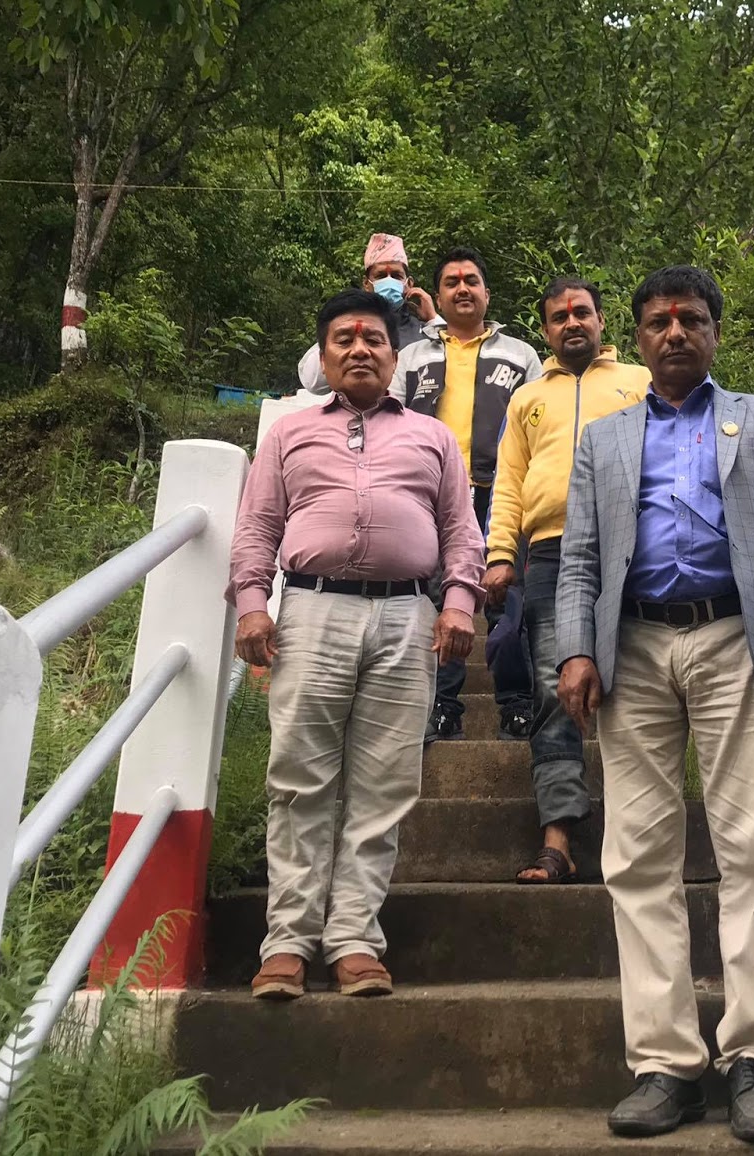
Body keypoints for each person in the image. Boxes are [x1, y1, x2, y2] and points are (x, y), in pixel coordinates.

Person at [555, 266, 754, 1145]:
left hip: (734, 642)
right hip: (631, 648)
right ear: (636, 338)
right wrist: (576, 649)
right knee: (637, 856)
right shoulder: (602, 438)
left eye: (692, 319)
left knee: (751, 846)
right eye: (660, 321)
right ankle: (665, 1065)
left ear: (714, 331)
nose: (675, 332)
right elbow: (580, 556)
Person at [229, 288, 483, 1001]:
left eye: (373, 339)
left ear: (395, 357)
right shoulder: (289, 434)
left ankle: (354, 941)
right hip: (313, 612)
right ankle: (287, 943)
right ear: (324, 356)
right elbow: (258, 525)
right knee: (298, 778)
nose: (360, 349)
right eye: (344, 339)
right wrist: (252, 606)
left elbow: (461, 530)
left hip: (406, 617)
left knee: (385, 785)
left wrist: (458, 602)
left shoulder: (433, 437)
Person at [482, 276, 645, 883]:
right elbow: (508, 482)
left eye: (582, 312)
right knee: (556, 689)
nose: (572, 322)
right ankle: (557, 840)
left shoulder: (640, 382)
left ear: (601, 320)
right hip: (549, 553)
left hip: (634, 549)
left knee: (641, 685)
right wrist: (501, 553)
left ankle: (642, 839)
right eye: (559, 316)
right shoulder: (526, 399)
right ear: (546, 330)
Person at [396, 247, 541, 741]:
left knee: (509, 602)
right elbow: (390, 419)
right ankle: (443, 706)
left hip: (502, 493)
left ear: (486, 293)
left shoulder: (520, 355)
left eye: (471, 280)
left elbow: (539, 425)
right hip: (429, 496)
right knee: (439, 600)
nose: (462, 288)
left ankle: (517, 704)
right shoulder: (411, 357)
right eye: (452, 281)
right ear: (437, 297)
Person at [296, 233, 438, 393]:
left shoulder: (424, 332)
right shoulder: (348, 325)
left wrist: (433, 320)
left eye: (396, 276)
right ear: (366, 283)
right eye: (381, 276)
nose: (389, 281)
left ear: (409, 284)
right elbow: (312, 382)